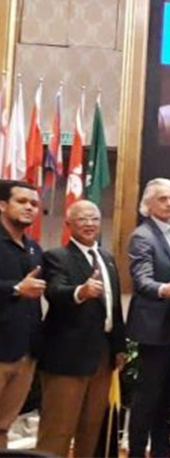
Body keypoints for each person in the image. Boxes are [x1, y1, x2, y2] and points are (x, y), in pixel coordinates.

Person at [37, 200, 127, 457]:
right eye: (82, 219)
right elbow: (54, 292)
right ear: (68, 224)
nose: (89, 224)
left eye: (94, 219)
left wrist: (119, 347)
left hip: (103, 356)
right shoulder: (56, 257)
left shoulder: (107, 259)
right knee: (58, 429)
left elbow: (114, 308)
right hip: (67, 356)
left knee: (91, 428)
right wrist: (80, 292)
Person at [126, 178, 170, 458]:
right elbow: (141, 280)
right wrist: (164, 289)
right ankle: (137, 452)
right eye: (163, 199)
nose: (169, 204)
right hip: (153, 328)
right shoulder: (142, 235)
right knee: (147, 397)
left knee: (167, 396)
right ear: (147, 204)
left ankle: (162, 451)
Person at [0, 181, 44, 449]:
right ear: (2, 205)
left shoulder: (33, 248)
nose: (29, 207)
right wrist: (16, 288)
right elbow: (22, 288)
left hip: (26, 352)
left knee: (4, 425)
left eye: (34, 204)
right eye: (22, 201)